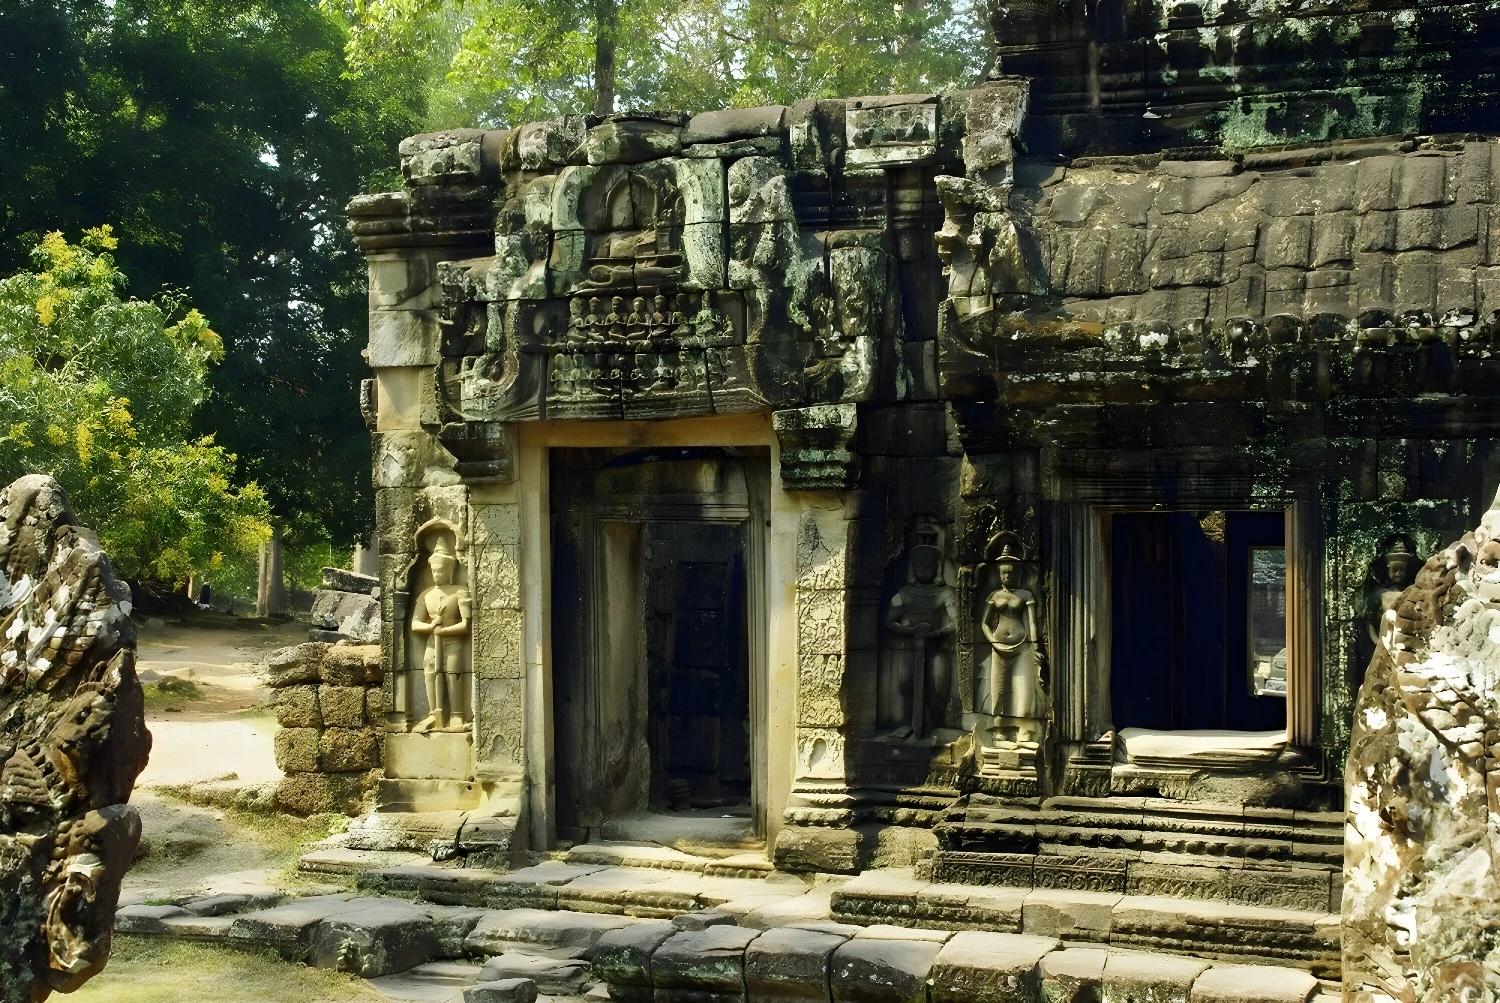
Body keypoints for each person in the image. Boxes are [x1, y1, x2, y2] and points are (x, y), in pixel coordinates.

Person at [410, 536, 471, 733]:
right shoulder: (426, 595)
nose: (437, 574)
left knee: (453, 675)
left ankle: (456, 715)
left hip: (452, 641)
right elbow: (414, 624)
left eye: (441, 570)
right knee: (430, 673)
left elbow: (465, 625)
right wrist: (431, 627)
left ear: (450, 570)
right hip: (431, 641)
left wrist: (444, 630)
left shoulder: (460, 592)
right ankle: (433, 714)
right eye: (434, 570)